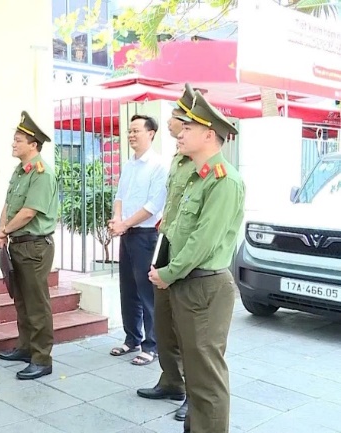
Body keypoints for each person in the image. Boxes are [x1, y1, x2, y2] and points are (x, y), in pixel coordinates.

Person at [148, 91, 245, 433]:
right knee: (194, 368)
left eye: (188, 128)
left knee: (206, 378)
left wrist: (168, 273)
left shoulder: (223, 180)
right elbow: (176, 227)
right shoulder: (197, 176)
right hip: (188, 282)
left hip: (203, 284)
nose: (180, 132)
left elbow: (203, 242)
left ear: (208, 135)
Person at [137, 84, 197, 422]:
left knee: (186, 328)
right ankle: (171, 380)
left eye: (175, 116)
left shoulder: (198, 162)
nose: (170, 121)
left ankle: (192, 392)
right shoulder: (178, 157)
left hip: (185, 254)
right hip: (166, 246)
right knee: (164, 321)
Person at [0, 111, 58, 380]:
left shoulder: (42, 173)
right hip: (18, 243)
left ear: (33, 145)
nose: (13, 144)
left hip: (35, 247)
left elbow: (29, 211)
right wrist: (2, 230)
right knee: (21, 300)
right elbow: (9, 205)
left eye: (18, 140)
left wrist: (5, 230)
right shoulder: (20, 171)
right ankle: (25, 347)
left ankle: (42, 358)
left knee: (36, 303)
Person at [108, 114, 168, 366]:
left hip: (146, 235)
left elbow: (153, 206)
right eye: (129, 131)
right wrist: (116, 219)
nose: (131, 135)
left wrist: (124, 223)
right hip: (127, 234)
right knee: (128, 289)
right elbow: (120, 196)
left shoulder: (159, 165)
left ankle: (151, 345)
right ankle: (132, 338)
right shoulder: (129, 164)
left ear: (151, 133)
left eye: (136, 131)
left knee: (146, 291)